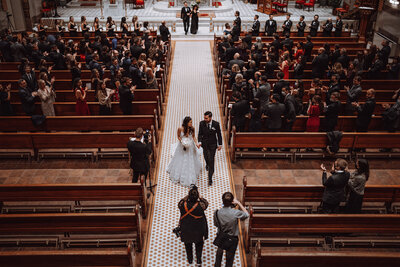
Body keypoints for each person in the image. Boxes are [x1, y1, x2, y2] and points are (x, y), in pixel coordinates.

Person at [214, 192, 249, 267]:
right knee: (229, 259)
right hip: (232, 238)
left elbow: (216, 224)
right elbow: (247, 214)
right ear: (232, 202)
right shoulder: (236, 213)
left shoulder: (217, 212)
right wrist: (239, 203)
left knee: (219, 255)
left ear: (222, 201)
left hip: (221, 236)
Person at [177, 186, 208, 265]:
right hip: (198, 230)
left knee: (188, 245)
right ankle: (198, 261)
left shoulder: (182, 205)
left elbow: (180, 202)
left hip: (186, 229)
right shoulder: (201, 206)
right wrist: (200, 197)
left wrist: (189, 195)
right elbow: (206, 203)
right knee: (199, 246)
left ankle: (190, 259)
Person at [167, 116, 201, 187]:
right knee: (180, 159)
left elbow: (194, 137)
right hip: (182, 146)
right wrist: (182, 142)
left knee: (190, 160)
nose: (191, 123)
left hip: (190, 146)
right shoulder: (180, 129)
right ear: (186, 123)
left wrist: (196, 143)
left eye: (191, 122)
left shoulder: (192, 128)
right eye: (190, 122)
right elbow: (178, 136)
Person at [198, 111, 223, 186]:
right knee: (206, 157)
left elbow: (219, 134)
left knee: (211, 160)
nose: (205, 119)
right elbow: (200, 133)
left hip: (213, 144)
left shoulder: (216, 124)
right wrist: (199, 142)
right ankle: (207, 164)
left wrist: (220, 144)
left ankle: (210, 178)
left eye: (206, 118)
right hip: (205, 144)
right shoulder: (201, 123)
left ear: (210, 117)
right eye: (204, 118)